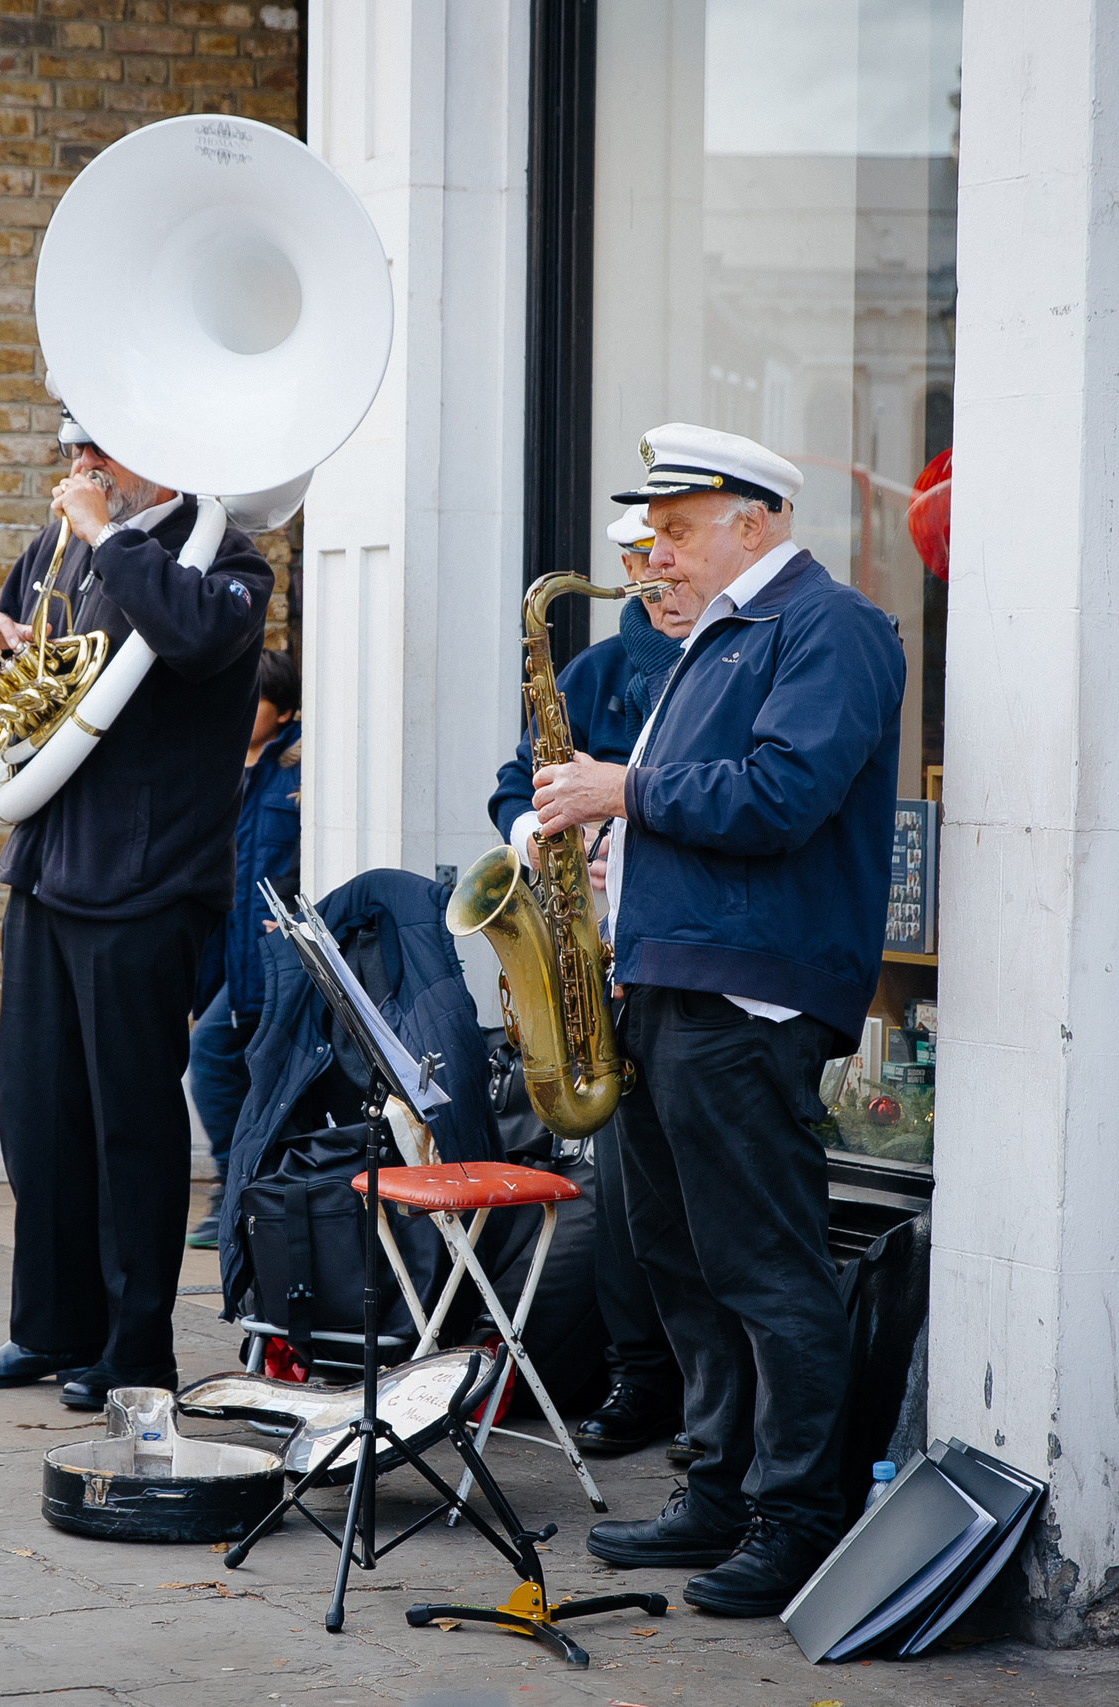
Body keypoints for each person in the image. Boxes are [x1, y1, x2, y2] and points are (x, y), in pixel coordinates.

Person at [534, 423, 903, 1618]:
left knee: (766, 1270)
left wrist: (619, 789)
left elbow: (785, 797)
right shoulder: (711, 641)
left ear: (756, 519)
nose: (654, 560)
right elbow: (704, 812)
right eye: (649, 540)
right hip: (669, 985)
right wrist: (613, 858)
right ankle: (715, 1490)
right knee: (679, 1264)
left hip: (748, 999)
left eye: (676, 533)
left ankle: (796, 1520)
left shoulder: (827, 626)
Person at [0, 403, 276, 1409]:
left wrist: (103, 533)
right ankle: (45, 1329)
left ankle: (135, 1352)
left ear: (161, 459)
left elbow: (193, 638)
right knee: (39, 1116)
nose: (77, 463)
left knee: (129, 1125)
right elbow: (12, 644)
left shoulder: (227, 562)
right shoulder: (56, 543)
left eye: (98, 448)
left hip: (146, 876)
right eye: (74, 446)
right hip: (49, 862)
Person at [484, 505, 693, 1460]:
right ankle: (639, 1374)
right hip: (592, 944)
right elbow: (511, 783)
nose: (647, 571)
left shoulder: (724, 657)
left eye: (660, 552)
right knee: (623, 1183)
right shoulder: (594, 673)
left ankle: (698, 1391)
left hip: (681, 950)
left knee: (688, 1188)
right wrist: (548, 837)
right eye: (634, 556)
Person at [184, 646, 300, 1249]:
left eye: (253, 699)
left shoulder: (301, 769)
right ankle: (236, 1189)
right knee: (213, 1061)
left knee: (225, 1063)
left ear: (283, 713)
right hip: (224, 953)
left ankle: (242, 1190)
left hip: (277, 960)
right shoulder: (217, 761)